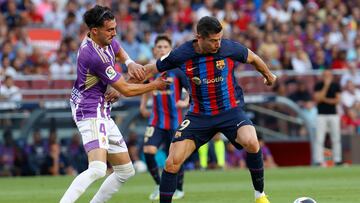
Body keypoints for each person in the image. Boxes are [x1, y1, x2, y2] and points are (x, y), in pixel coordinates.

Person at [144, 16, 276, 203]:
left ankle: (260, 196)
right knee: (172, 163)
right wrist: (122, 84)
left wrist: (268, 76)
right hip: (199, 115)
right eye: (213, 41)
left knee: (252, 142)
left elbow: (253, 58)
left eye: (219, 39)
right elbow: (153, 68)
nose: (218, 44)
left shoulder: (229, 48)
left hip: (230, 111)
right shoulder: (181, 54)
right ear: (199, 37)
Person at [59, 5, 169, 203]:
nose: (114, 32)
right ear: (95, 31)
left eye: (114, 27)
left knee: (125, 171)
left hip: (100, 107)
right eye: (110, 29)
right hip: (89, 109)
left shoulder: (104, 40)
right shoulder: (94, 56)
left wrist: (130, 63)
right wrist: (154, 85)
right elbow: (125, 90)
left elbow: (117, 48)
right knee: (98, 169)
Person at [140, 35, 189, 200]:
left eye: (165, 47)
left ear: (170, 50)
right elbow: (146, 88)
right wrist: (142, 105)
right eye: (159, 46)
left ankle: (179, 189)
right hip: (156, 120)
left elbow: (190, 90)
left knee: (174, 158)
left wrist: (185, 101)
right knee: (148, 151)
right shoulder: (150, 70)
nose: (161, 49)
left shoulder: (177, 70)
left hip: (175, 121)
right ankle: (158, 184)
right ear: (154, 49)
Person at [313, 69, 342, 166]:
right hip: (321, 115)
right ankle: (319, 160)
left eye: (328, 75)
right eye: (325, 75)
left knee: (336, 138)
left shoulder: (336, 86)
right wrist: (326, 86)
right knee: (319, 138)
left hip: (333, 114)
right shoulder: (319, 85)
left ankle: (338, 159)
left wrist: (324, 99)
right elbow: (317, 99)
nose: (327, 77)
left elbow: (337, 101)